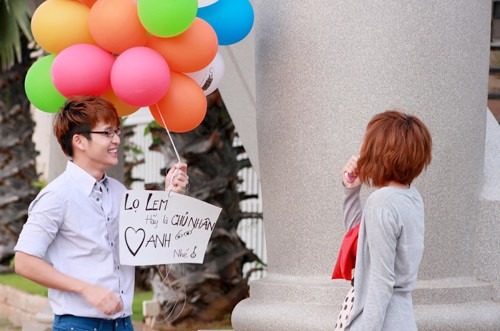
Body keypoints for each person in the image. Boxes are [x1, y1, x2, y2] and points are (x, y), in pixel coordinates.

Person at [14, 96, 189, 330]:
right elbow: (24, 262)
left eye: (116, 131)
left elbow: (145, 244)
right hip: (78, 325)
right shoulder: (56, 196)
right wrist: (85, 288)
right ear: (79, 141)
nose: (117, 139)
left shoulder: (118, 191)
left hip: (123, 324)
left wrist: (171, 194)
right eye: (107, 133)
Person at [338, 110, 432, 331]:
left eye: (367, 143)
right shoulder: (411, 197)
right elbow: (362, 244)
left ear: (380, 152)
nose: (362, 149)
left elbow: (380, 282)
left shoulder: (382, 202)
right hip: (400, 317)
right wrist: (352, 192)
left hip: (379, 321)